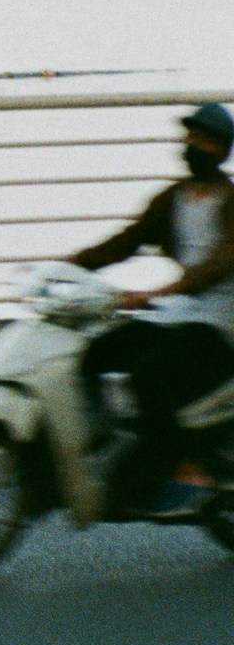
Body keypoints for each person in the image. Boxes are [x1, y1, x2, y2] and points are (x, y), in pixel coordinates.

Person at [67, 103, 234, 516]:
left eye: (202, 139)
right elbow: (126, 241)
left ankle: (187, 468)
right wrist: (64, 267)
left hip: (220, 323)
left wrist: (165, 289)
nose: (192, 145)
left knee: (150, 374)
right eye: (189, 137)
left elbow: (219, 264)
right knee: (94, 353)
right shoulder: (173, 199)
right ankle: (104, 435)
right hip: (177, 313)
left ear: (219, 149)